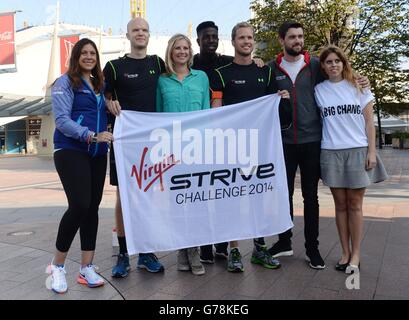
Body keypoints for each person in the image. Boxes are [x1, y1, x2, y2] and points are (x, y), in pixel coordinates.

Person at [267, 21, 370, 269]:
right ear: (282, 40)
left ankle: (312, 249)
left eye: (300, 36)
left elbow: (340, 75)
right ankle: (284, 241)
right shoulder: (271, 68)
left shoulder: (315, 65)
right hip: (284, 142)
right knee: (284, 196)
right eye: (292, 37)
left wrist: (359, 78)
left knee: (311, 197)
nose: (297, 41)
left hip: (313, 141)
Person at [210, 22, 290, 272]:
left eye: (250, 37)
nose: (246, 41)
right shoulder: (221, 74)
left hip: (260, 146)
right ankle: (234, 249)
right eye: (242, 37)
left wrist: (281, 99)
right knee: (233, 198)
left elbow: (273, 108)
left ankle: (259, 247)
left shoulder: (265, 72)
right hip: (231, 146)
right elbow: (216, 111)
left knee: (259, 197)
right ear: (233, 42)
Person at [193, 21, 266, 264]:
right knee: (207, 195)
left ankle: (225, 245)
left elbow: (246, 66)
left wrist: (258, 62)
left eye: (214, 36)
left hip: (240, 141)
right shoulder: (191, 62)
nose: (211, 40)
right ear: (199, 40)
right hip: (206, 140)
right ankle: (205, 246)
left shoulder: (227, 61)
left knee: (233, 193)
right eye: (206, 37)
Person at [47, 38, 113, 293]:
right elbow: (62, 120)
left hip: (96, 153)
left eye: (92, 53)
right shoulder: (64, 82)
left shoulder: (100, 84)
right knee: (79, 205)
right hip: (71, 149)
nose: (88, 57)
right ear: (76, 56)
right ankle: (58, 266)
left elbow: (105, 110)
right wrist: (91, 135)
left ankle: (87, 268)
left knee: (92, 208)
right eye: (84, 53)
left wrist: (112, 109)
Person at [315, 45, 388, 273]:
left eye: (337, 61)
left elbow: (369, 122)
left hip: (357, 150)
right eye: (329, 62)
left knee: (355, 204)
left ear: (343, 63)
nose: (333, 65)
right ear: (324, 67)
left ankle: (356, 254)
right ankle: (344, 252)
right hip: (331, 151)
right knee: (340, 205)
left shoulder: (358, 86)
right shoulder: (319, 90)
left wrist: (372, 151)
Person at [104, 18, 165, 277]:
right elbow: (103, 93)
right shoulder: (114, 67)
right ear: (127, 34)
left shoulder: (158, 63)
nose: (140, 34)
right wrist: (108, 102)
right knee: (123, 198)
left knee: (149, 197)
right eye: (135, 30)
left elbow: (185, 71)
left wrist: (259, 62)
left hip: (152, 142)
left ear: (149, 35)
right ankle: (123, 252)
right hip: (124, 142)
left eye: (144, 30)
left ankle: (146, 252)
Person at [156, 33, 210, 275]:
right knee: (177, 203)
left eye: (186, 48)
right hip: (171, 152)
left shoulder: (201, 78)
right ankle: (182, 249)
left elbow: (208, 114)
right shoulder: (162, 81)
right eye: (177, 48)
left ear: (190, 51)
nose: (182, 51)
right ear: (171, 51)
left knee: (196, 202)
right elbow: (157, 116)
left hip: (196, 149)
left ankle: (194, 251)